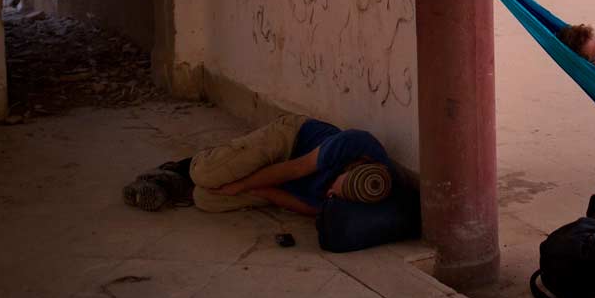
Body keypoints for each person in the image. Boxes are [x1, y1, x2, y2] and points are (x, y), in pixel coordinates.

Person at [125, 114, 396, 216]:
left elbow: (304, 206)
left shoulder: (360, 198)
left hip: (285, 182)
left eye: (337, 199)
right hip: (289, 142)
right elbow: (293, 169)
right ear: (348, 169)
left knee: (206, 198)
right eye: (335, 190)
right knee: (205, 173)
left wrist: (255, 191)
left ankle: (181, 186)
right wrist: (241, 184)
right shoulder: (356, 144)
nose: (331, 196)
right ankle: (174, 171)